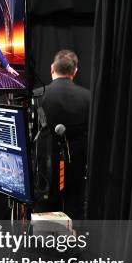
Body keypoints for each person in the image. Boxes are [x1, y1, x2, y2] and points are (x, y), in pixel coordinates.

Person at [33, 50, 89, 219]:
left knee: (44, 215)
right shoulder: (88, 97)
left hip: (44, 171)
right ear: (75, 71)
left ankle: (44, 244)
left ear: (52, 68)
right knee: (75, 212)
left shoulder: (36, 96)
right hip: (77, 170)